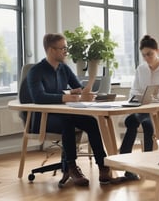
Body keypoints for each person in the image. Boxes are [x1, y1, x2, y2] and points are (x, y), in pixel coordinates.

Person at [27, 33, 116, 187]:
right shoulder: (36, 71)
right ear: (51, 50)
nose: (66, 52)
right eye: (63, 48)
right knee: (66, 122)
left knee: (91, 122)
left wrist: (83, 93)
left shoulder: (64, 68)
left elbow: (77, 88)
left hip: (64, 114)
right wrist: (66, 98)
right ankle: (71, 167)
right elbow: (38, 97)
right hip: (43, 119)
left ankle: (102, 166)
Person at [119, 35, 159, 180]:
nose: (147, 58)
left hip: (157, 110)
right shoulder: (141, 69)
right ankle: (127, 167)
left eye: (150, 54)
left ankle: (142, 167)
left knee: (145, 124)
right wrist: (140, 96)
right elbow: (133, 90)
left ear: (157, 51)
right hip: (141, 107)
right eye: (144, 55)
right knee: (132, 121)